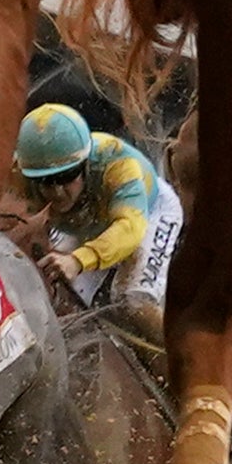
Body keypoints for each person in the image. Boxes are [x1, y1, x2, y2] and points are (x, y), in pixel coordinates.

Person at [13, 103, 182, 365]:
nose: (58, 192)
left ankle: (191, 366)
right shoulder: (17, 173)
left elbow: (129, 230)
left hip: (147, 213)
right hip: (88, 221)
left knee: (131, 298)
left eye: (68, 176)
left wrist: (79, 259)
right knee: (64, 292)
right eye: (47, 181)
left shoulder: (118, 165)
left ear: (85, 165)